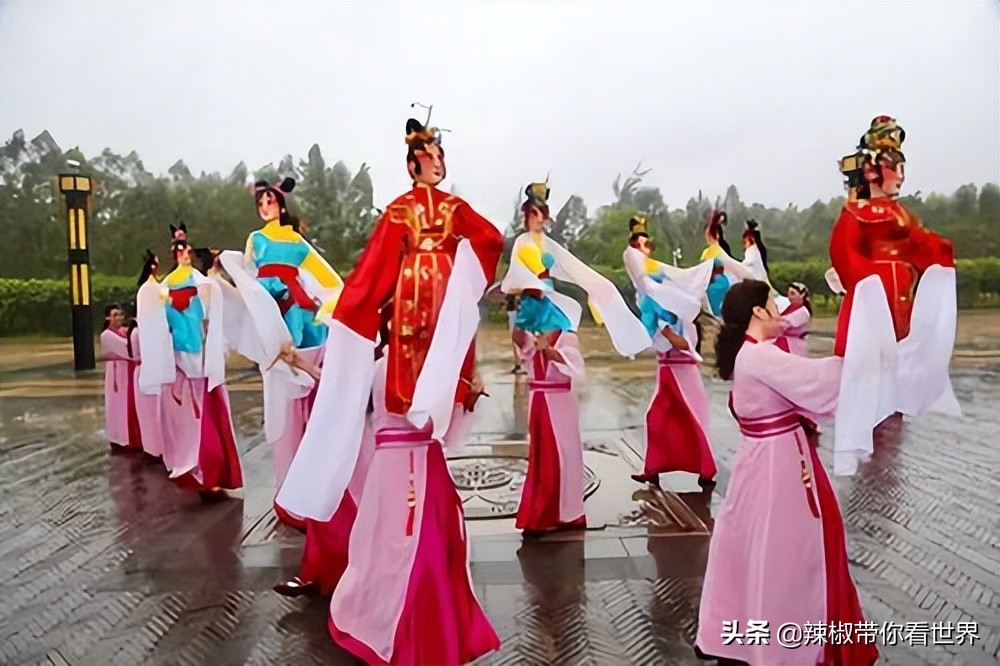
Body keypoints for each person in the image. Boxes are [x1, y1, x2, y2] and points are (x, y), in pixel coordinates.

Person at [275, 111, 503, 664]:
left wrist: (461, 278)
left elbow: (490, 240)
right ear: (412, 163)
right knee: (419, 353)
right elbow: (375, 270)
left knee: (441, 339)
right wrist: (355, 320)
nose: (437, 163)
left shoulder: (453, 211)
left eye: (440, 156)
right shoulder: (402, 211)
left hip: (438, 303)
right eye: (428, 156)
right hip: (412, 314)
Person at [695, 280, 878, 666]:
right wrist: (860, 354)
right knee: (789, 556)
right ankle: (788, 642)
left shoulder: (752, 354)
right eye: (773, 306)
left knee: (758, 553)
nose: (780, 312)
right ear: (758, 313)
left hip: (767, 460)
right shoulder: (759, 356)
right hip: (779, 466)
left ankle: (749, 636)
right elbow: (820, 381)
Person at [829, 115, 960, 475]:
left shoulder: (904, 214)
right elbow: (844, 253)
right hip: (874, 307)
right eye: (893, 167)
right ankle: (866, 446)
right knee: (868, 380)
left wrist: (942, 255)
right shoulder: (856, 212)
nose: (900, 175)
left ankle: (886, 455)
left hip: (900, 305)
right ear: (872, 171)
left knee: (894, 384)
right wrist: (867, 282)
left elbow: (923, 248)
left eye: (902, 167)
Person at [217, 177, 343, 528]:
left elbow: (326, 279)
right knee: (282, 390)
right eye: (260, 203)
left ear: (281, 204)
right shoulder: (256, 239)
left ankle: (312, 483)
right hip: (271, 308)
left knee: (307, 389)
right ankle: (288, 488)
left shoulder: (299, 243)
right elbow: (249, 275)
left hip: (300, 309)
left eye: (269, 201)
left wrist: (329, 303)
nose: (264, 207)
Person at [137, 223, 243, 499]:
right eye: (178, 249)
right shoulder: (165, 287)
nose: (182, 252)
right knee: (187, 424)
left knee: (205, 417)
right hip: (180, 357)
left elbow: (211, 311)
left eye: (184, 248)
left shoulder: (201, 282)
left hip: (200, 354)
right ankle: (195, 470)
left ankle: (210, 472)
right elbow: (157, 317)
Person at [508, 182, 590, 536]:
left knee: (564, 454)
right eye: (533, 214)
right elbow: (521, 345)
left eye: (541, 214)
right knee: (541, 457)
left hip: (558, 400)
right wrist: (517, 310)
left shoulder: (564, 330)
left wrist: (552, 351)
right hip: (539, 401)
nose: (538, 220)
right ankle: (540, 513)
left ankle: (568, 511)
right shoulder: (522, 246)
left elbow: (577, 369)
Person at [622, 215, 717, 486]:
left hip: (682, 373)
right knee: (657, 418)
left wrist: (667, 333)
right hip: (666, 372)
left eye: (645, 245)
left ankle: (705, 469)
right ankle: (653, 467)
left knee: (693, 419)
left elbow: (686, 345)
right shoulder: (654, 306)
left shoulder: (681, 314)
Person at [99, 303, 142, 453]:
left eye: (120, 315)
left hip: (127, 371)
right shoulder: (106, 335)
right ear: (107, 317)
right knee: (119, 405)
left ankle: (131, 436)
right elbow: (127, 348)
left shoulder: (124, 331)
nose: (118, 318)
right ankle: (121, 438)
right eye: (114, 315)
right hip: (117, 374)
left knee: (128, 404)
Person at [780, 281, 812, 357]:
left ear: (802, 295)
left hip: (794, 347)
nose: (789, 296)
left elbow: (782, 326)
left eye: (793, 293)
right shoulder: (789, 308)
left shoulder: (803, 312)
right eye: (788, 293)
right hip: (786, 344)